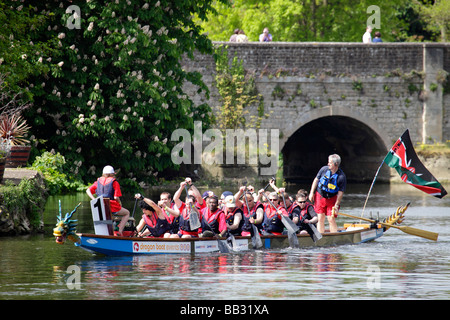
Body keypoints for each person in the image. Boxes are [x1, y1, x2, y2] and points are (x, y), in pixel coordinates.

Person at [86, 165, 130, 236]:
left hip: (100, 206)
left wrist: (94, 199)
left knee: (107, 216)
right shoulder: (114, 182)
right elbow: (116, 197)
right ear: (112, 174)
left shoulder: (97, 182)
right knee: (127, 213)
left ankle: (108, 232)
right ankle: (119, 231)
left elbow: (88, 190)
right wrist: (120, 203)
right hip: (111, 206)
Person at [308, 154, 347, 233]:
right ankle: (320, 237)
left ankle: (333, 237)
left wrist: (336, 205)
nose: (328, 164)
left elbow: (340, 193)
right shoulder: (324, 170)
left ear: (335, 164)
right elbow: (316, 180)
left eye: (330, 163)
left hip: (332, 198)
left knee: (331, 218)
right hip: (320, 196)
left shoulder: (341, 177)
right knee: (320, 218)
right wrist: (311, 193)